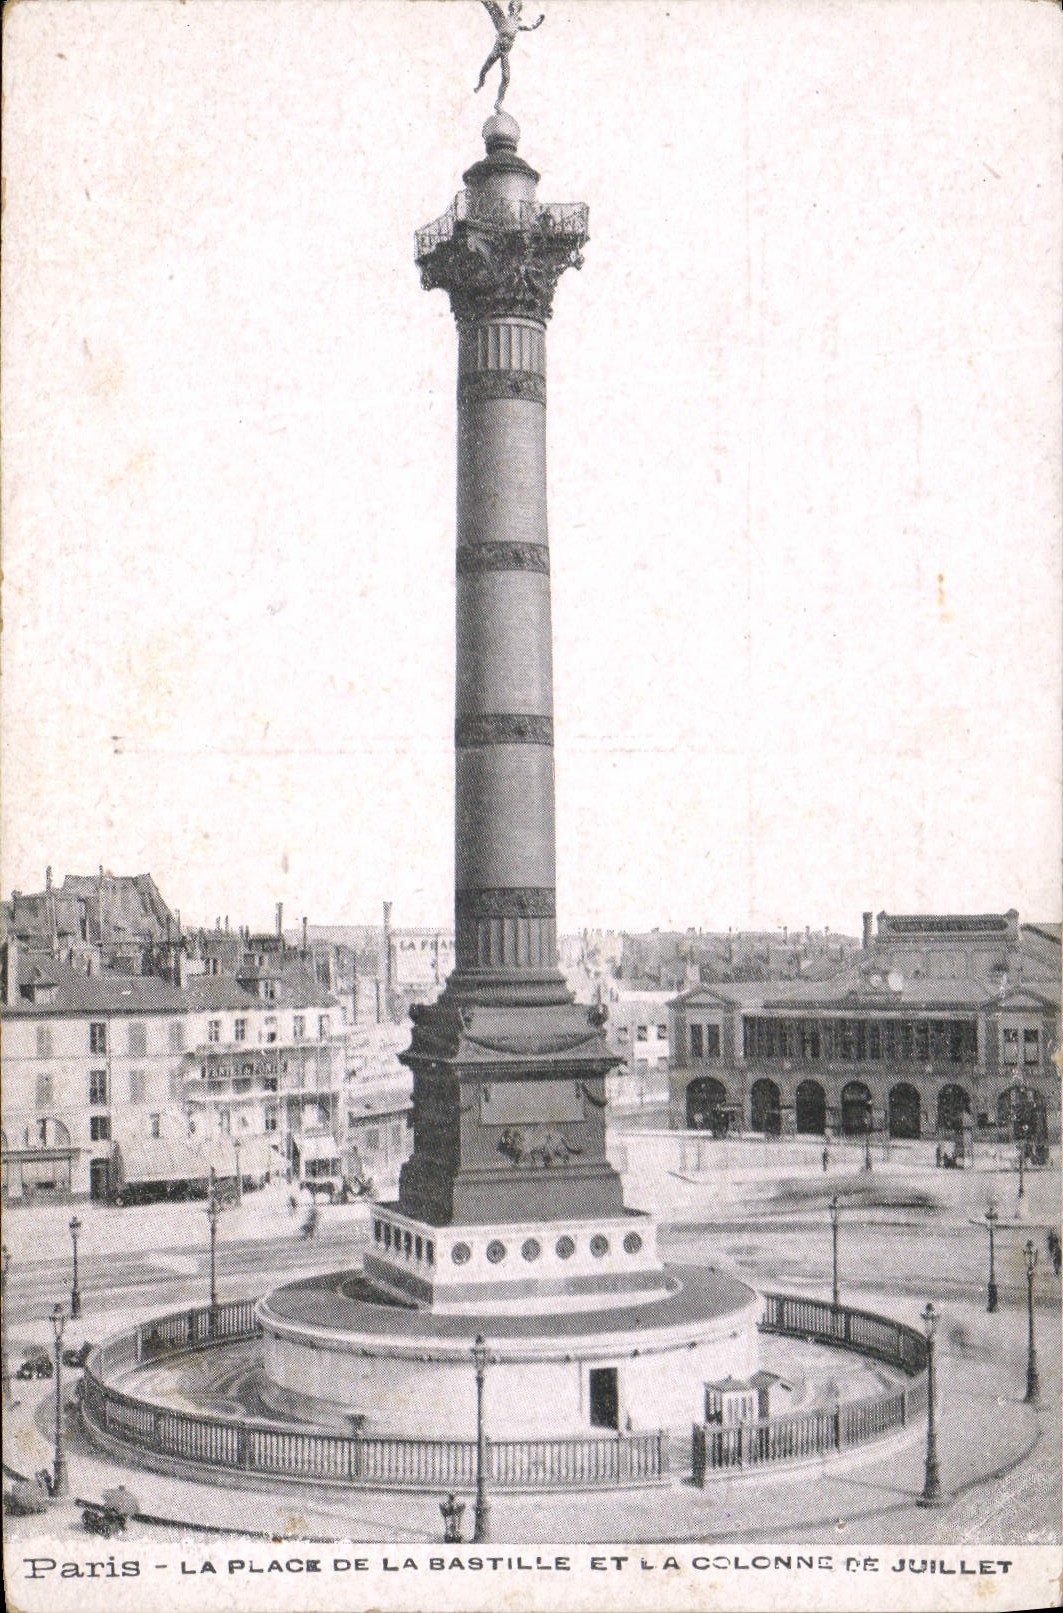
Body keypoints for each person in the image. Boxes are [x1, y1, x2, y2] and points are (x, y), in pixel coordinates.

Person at [475, 1, 545, 112]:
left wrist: (539, 21)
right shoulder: (504, 20)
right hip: (497, 51)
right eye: (513, 7)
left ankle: (498, 103)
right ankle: (480, 84)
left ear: (519, 10)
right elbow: (492, 9)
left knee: (506, 78)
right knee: (484, 70)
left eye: (517, 8)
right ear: (511, 8)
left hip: (504, 54)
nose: (515, 10)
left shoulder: (516, 24)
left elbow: (531, 27)